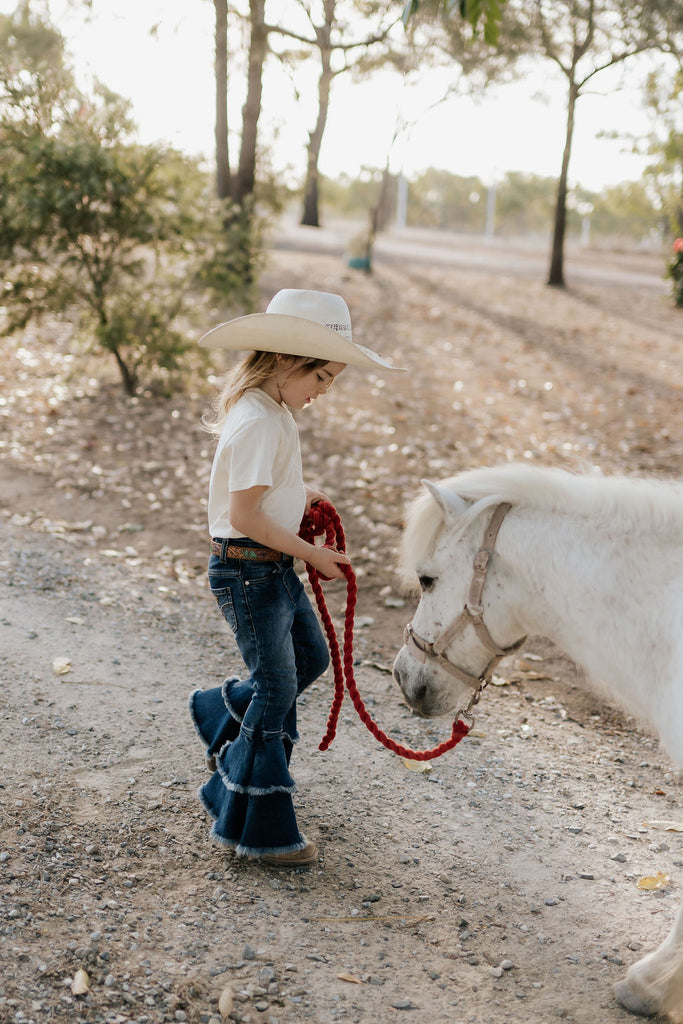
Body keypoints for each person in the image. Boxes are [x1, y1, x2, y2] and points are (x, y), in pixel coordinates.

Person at [189, 288, 405, 866]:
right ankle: (257, 829)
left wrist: (300, 495)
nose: (324, 392)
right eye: (323, 377)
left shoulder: (272, 411)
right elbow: (243, 515)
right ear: (287, 361)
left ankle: (222, 716)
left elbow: (261, 494)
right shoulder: (258, 419)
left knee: (308, 659)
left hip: (270, 565)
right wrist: (312, 553)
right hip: (247, 571)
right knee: (278, 686)